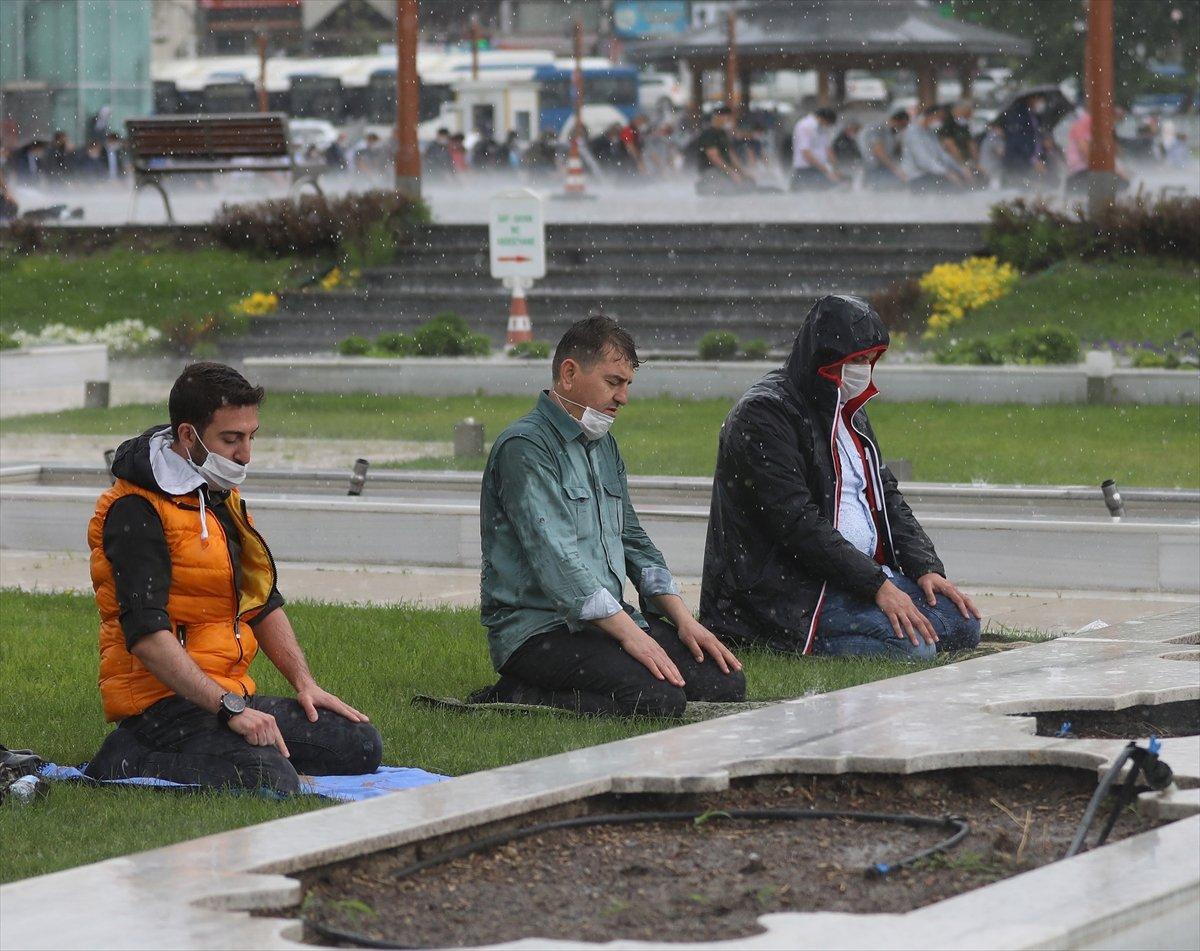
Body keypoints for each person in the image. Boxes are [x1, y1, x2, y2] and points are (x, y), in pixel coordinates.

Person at [83, 363, 382, 793]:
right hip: (160, 709)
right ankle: (125, 756)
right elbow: (147, 636)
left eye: (250, 437)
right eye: (231, 439)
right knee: (272, 779)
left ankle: (231, 739)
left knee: (359, 744)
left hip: (225, 698)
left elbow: (262, 600)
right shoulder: (134, 509)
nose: (245, 454)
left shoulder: (219, 494)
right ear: (188, 435)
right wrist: (231, 710)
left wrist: (306, 685)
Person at [476, 316, 746, 717]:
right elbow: (558, 560)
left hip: (604, 625)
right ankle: (518, 692)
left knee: (724, 683)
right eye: (613, 382)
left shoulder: (603, 446)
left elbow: (633, 540)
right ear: (569, 374)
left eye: (627, 385)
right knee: (658, 699)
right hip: (538, 633)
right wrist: (630, 636)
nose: (623, 398)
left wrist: (683, 621)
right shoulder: (524, 448)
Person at [700, 296, 982, 659]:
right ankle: (780, 640)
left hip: (851, 578)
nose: (863, 370)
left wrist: (925, 567)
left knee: (963, 624)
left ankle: (871, 616)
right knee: (915, 648)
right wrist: (876, 585)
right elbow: (796, 523)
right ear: (826, 359)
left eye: (868, 360)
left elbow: (887, 497)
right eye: (855, 361)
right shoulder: (764, 413)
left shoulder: (847, 410)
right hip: (790, 593)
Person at [901, 106, 970, 191]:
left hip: (932, 174)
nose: (941, 121)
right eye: (939, 118)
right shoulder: (913, 133)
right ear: (930, 116)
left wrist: (961, 169)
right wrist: (947, 173)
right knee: (953, 186)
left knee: (965, 179)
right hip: (917, 177)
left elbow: (942, 155)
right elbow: (924, 161)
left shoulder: (930, 133)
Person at [695, 106, 752, 195]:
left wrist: (743, 172)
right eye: (728, 118)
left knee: (747, 185)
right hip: (711, 172)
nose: (729, 122)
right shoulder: (708, 134)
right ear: (719, 117)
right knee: (727, 191)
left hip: (724, 172)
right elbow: (714, 158)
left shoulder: (723, 134)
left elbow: (732, 156)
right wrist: (731, 173)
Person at [790, 107, 841, 190]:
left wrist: (836, 169)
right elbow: (806, 153)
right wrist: (827, 171)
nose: (828, 127)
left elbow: (828, 150)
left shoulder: (823, 129)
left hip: (819, 170)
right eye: (828, 124)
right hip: (804, 171)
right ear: (823, 119)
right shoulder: (805, 126)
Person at [858, 109, 909, 189]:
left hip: (882, 169)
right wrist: (896, 170)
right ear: (897, 121)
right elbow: (879, 152)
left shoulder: (891, 132)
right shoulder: (878, 129)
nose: (902, 129)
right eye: (902, 125)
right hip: (874, 169)